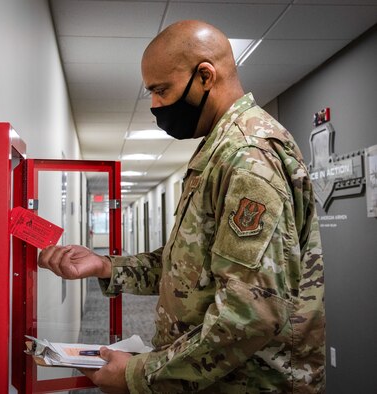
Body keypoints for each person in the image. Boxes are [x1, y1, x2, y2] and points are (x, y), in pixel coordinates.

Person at [38, 20, 325, 393]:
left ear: (205, 75)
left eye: (161, 90)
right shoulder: (219, 151)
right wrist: (107, 266)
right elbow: (190, 267)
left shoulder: (248, 157)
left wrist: (137, 375)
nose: (155, 104)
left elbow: (251, 313)